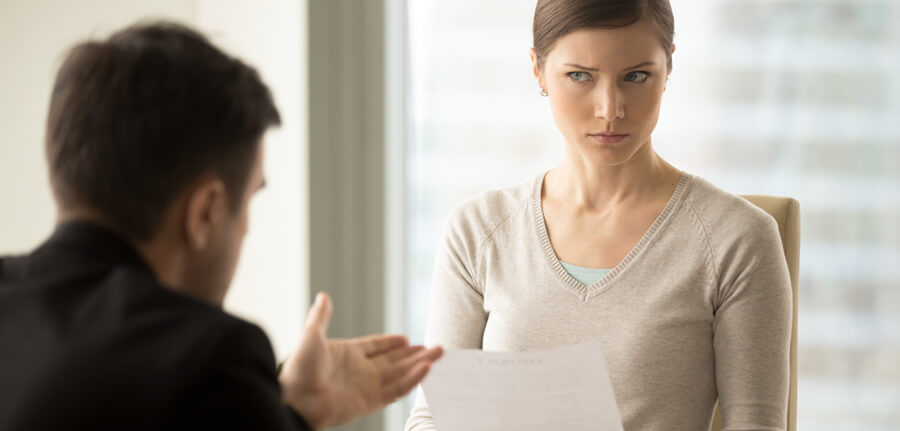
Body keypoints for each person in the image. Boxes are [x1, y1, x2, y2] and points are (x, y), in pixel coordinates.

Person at [0, 21, 442, 431]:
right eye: (250, 199)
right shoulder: (208, 360)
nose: (247, 229)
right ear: (206, 213)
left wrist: (293, 409)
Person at [405, 0, 791, 430]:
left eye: (636, 76)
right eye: (580, 77)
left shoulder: (736, 239)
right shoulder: (477, 231)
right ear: (538, 71)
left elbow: (755, 424)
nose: (610, 109)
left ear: (668, 68)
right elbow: (433, 418)